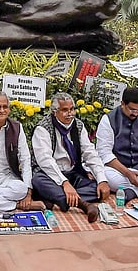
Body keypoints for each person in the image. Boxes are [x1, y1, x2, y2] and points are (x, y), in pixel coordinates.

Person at [31, 93, 110, 222]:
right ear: (54, 112)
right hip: (49, 175)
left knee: (96, 187)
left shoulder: (78, 126)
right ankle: (83, 205)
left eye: (72, 109)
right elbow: (45, 161)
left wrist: (102, 180)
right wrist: (64, 183)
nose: (70, 113)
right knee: (37, 181)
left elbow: (90, 153)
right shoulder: (43, 128)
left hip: (72, 174)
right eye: (64, 110)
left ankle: (55, 199)